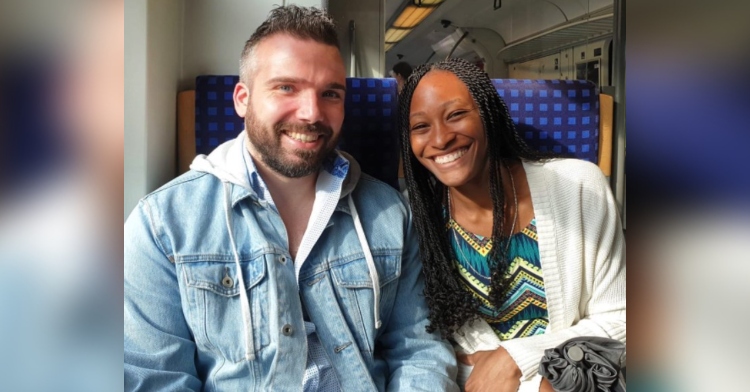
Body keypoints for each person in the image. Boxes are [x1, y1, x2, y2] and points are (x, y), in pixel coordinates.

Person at [124, 6, 458, 392]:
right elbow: (154, 378)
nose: (311, 113)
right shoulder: (162, 224)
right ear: (242, 99)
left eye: (330, 93)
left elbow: (418, 349)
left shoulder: (389, 213)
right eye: (286, 87)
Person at [398, 58, 626, 392]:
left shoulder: (579, 187)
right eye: (421, 127)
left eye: (456, 115)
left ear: (488, 114)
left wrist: (516, 358)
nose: (441, 138)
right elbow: (422, 347)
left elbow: (622, 319)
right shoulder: (414, 221)